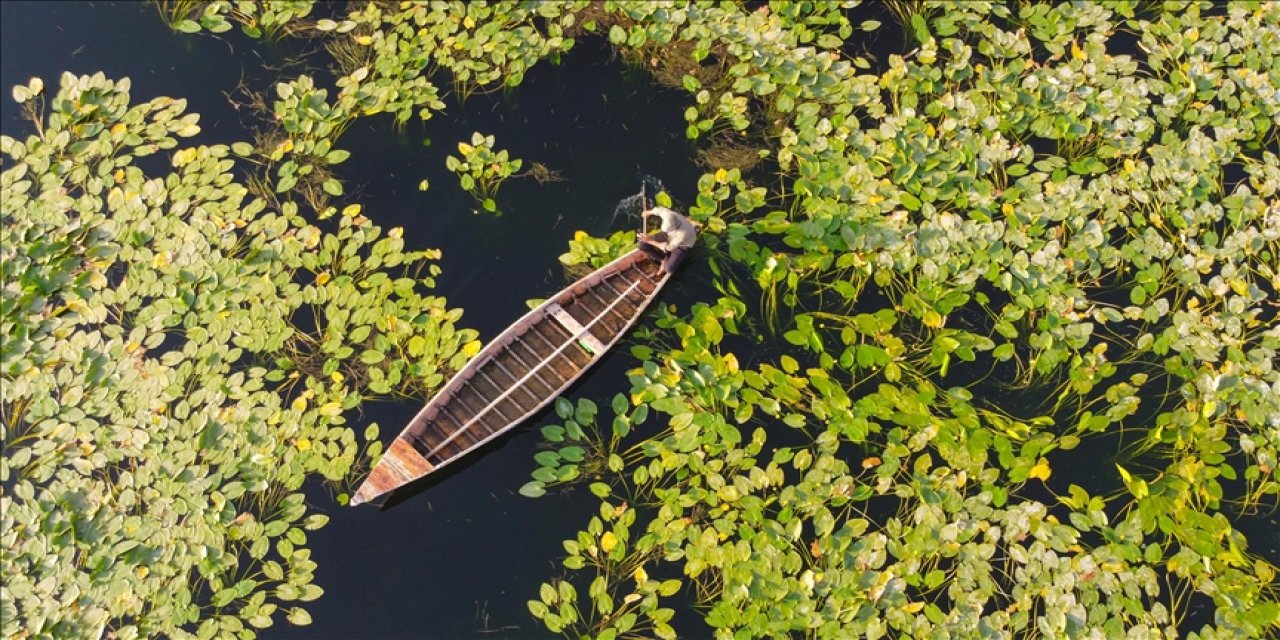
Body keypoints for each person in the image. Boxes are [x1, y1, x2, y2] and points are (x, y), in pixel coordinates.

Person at [638, 206, 697, 274]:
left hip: (682, 244)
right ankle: (663, 259)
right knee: (642, 244)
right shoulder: (668, 215)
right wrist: (648, 212)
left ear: (674, 227)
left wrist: (650, 241)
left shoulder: (683, 234)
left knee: (669, 269)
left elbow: (669, 247)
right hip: (669, 235)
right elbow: (660, 210)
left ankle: (670, 258)